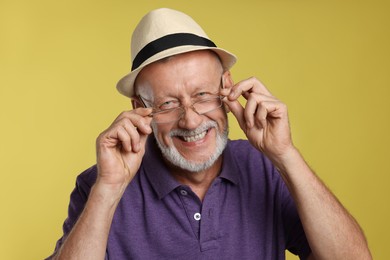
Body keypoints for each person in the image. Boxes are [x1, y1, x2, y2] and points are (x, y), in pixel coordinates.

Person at [47, 8, 372, 260]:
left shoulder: (264, 167)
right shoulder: (102, 182)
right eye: (168, 103)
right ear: (139, 107)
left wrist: (285, 155)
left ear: (226, 87)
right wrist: (108, 189)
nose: (190, 121)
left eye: (202, 95)